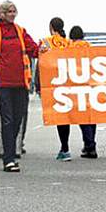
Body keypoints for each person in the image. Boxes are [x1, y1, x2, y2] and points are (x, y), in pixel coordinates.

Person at [0, 0, 39, 172]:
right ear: (2, 13)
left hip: (20, 83)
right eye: (10, 11)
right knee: (7, 119)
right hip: (1, 83)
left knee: (17, 119)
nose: (13, 14)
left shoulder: (20, 31)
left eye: (14, 11)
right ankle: (9, 159)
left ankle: (9, 150)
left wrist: (44, 49)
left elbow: (33, 49)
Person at [40, 17, 76, 162]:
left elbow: (41, 63)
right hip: (68, 82)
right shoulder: (69, 43)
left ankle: (65, 148)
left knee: (60, 117)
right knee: (66, 117)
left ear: (50, 27)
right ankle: (65, 148)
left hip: (53, 83)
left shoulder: (45, 42)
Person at [69, 26, 98, 158]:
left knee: (82, 118)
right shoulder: (90, 48)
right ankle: (90, 144)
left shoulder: (69, 49)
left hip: (77, 86)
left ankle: (89, 145)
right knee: (91, 117)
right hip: (91, 86)